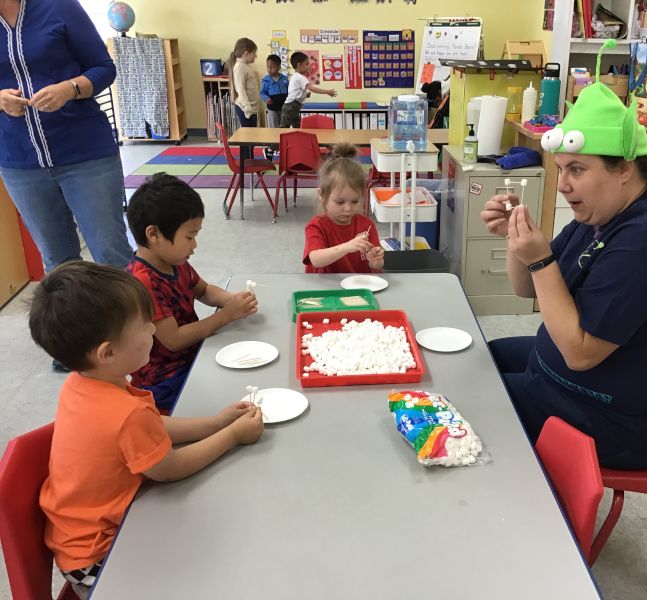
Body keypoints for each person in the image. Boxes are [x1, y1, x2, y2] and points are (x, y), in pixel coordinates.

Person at [480, 40, 647, 470]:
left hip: (621, 425)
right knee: (481, 361)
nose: (563, 185)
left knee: (477, 401)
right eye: (561, 169)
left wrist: (540, 259)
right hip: (574, 383)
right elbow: (527, 291)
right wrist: (517, 241)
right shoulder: (601, 215)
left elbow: (579, 353)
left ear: (624, 168)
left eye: (577, 169)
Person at [30, 261, 264, 599]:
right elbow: (168, 468)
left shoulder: (83, 383)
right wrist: (231, 436)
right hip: (100, 557)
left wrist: (216, 422)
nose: (154, 332)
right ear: (108, 353)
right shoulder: (124, 413)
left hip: (76, 537)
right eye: (144, 327)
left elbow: (151, 429)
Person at [0, 0, 132, 274]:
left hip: (86, 155)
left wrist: (70, 88)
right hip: (19, 163)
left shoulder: (59, 6)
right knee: (59, 266)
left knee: (113, 258)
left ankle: (135, 318)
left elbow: (104, 68)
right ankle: (76, 319)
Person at [125, 173, 259, 413]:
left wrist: (233, 300)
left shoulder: (174, 260)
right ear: (153, 234)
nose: (194, 245)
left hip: (193, 355)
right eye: (190, 236)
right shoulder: (142, 281)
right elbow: (174, 340)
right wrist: (226, 315)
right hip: (166, 379)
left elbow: (204, 290)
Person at [303, 143, 383, 273]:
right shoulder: (316, 226)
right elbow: (315, 259)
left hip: (358, 289)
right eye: (340, 202)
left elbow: (376, 269)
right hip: (326, 290)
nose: (348, 208)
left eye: (355, 201)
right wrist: (348, 246)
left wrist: (376, 263)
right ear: (321, 195)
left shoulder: (366, 225)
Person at [280, 51, 337, 128]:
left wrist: (305, 95)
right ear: (299, 65)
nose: (309, 66)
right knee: (284, 128)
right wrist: (327, 92)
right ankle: (280, 139)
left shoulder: (295, 77)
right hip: (291, 106)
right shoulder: (301, 77)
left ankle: (299, 139)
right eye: (307, 64)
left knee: (297, 126)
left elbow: (294, 93)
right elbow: (312, 88)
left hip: (291, 106)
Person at [229, 37, 259, 159]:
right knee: (247, 138)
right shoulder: (239, 67)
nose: (255, 56)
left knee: (251, 137)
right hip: (245, 109)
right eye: (254, 53)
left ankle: (249, 160)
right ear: (246, 53)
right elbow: (240, 89)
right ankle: (246, 162)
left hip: (251, 108)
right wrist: (247, 106)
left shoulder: (245, 66)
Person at [260, 53, 289, 129]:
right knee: (273, 127)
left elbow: (289, 92)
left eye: (272, 67)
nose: (269, 69)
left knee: (284, 126)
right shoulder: (266, 80)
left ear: (279, 67)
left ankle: (284, 140)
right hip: (272, 108)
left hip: (283, 107)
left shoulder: (285, 79)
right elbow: (262, 93)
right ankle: (274, 140)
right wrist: (266, 98)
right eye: (268, 67)